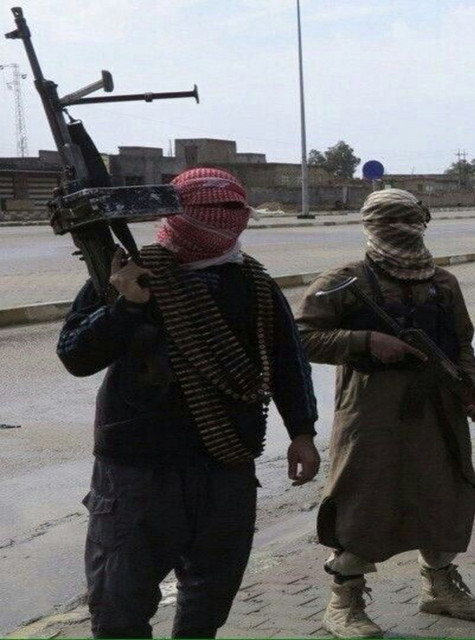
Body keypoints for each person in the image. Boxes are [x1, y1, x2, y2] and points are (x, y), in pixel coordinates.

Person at [57, 167, 320, 638]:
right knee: (119, 600)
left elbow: (287, 361)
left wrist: (302, 431)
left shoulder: (253, 282)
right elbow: (76, 356)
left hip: (226, 460)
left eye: (234, 209)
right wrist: (125, 305)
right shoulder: (129, 274)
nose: (226, 219)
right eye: (210, 210)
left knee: (212, 592)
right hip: (138, 466)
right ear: (174, 214)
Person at [295, 188, 475, 638]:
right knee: (364, 499)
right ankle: (344, 600)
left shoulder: (443, 283)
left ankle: (439, 587)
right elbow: (301, 337)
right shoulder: (344, 280)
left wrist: (471, 389)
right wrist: (366, 341)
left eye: (411, 222)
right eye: (393, 223)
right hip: (373, 413)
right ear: (372, 227)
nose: (404, 232)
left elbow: (461, 343)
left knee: (442, 495)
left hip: (437, 410)